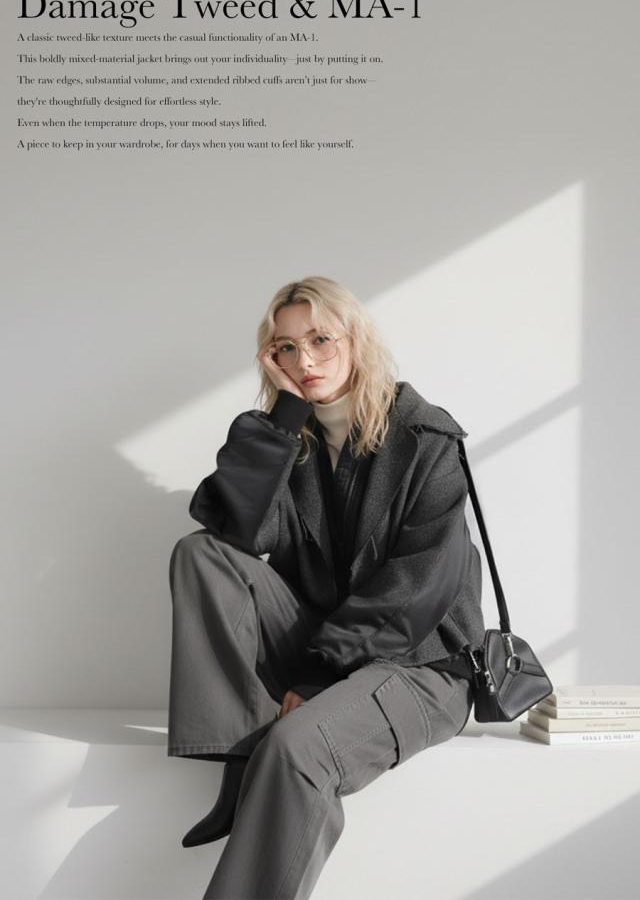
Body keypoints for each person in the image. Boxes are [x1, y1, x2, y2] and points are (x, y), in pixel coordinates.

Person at [167, 276, 485, 900]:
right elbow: (235, 531)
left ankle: (267, 759)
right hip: (323, 645)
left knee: (296, 749)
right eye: (285, 347)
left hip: (421, 666)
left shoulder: (426, 441)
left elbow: (416, 589)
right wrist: (284, 416)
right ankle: (243, 755)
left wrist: (319, 674)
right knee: (201, 553)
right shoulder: (285, 437)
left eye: (320, 340)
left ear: (356, 341)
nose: (304, 360)